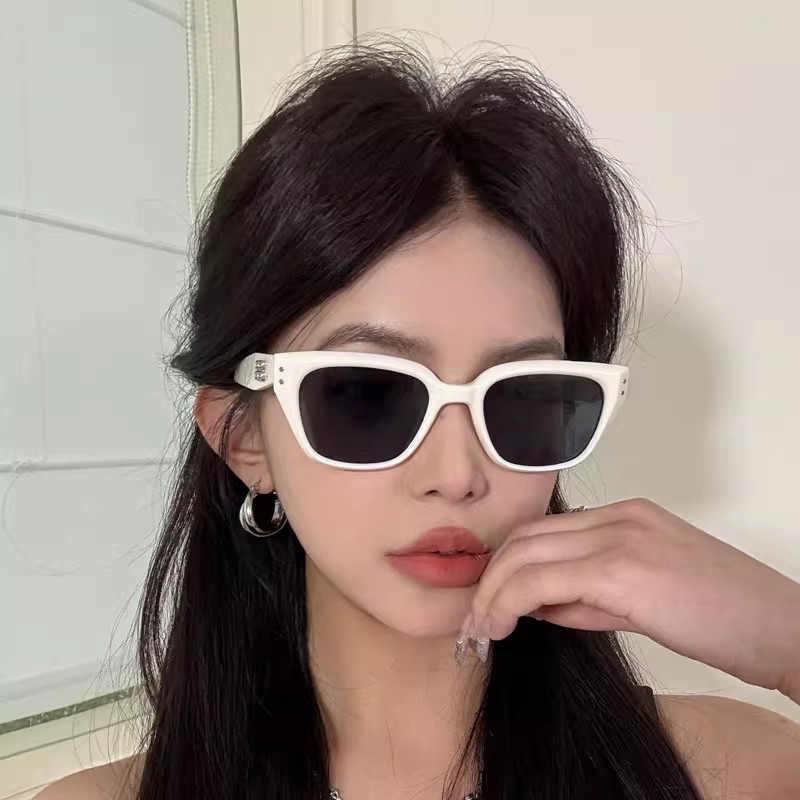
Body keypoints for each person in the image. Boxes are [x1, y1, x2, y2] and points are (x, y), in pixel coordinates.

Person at [37, 40, 800, 800]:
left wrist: (786, 636)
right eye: (367, 395)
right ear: (243, 438)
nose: (458, 474)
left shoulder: (728, 771)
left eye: (520, 395)